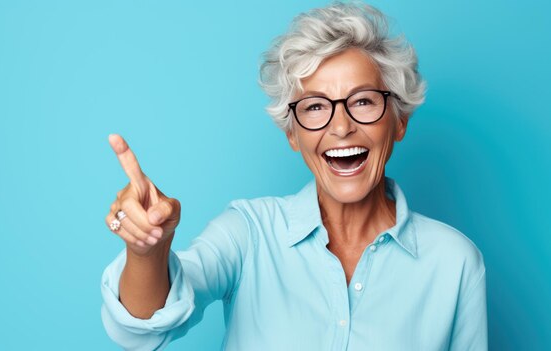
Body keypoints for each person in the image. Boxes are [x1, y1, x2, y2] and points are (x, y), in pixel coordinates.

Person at [100, 1, 487, 350]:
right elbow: (145, 325)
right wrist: (147, 251)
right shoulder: (248, 233)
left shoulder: (455, 263)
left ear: (399, 120)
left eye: (363, 101)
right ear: (292, 134)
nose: (341, 127)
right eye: (316, 107)